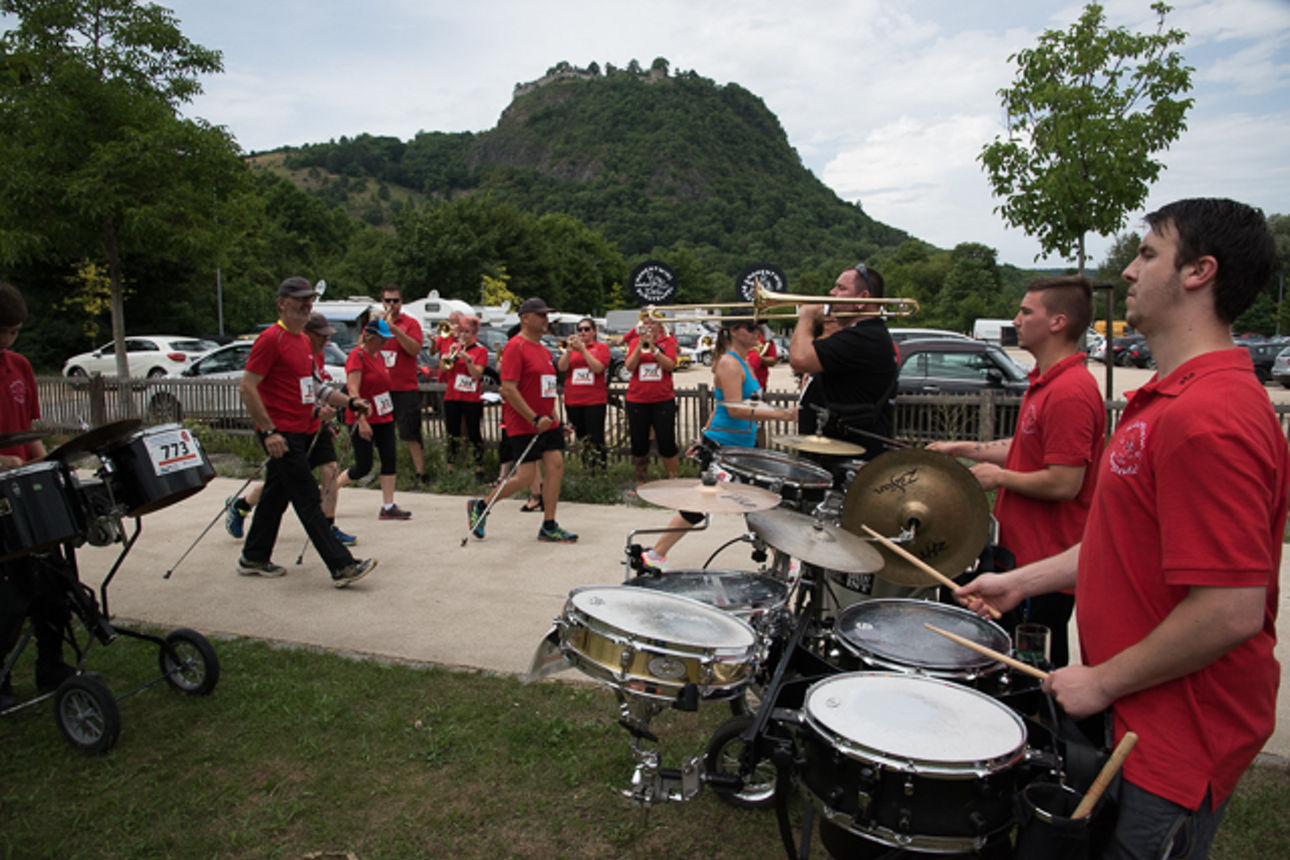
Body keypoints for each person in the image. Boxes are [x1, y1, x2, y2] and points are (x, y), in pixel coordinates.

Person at [958, 199, 1286, 860]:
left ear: (1200, 271)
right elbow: (1118, 547)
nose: (1129, 272)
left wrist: (1101, 681)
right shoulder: (1164, 399)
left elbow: (1230, 611)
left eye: (1147, 253)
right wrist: (1020, 581)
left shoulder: (1211, 416)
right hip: (1136, 708)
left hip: (1177, 735)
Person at [928, 276, 1105, 667]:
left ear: (1057, 322)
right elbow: (1025, 450)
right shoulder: (1045, 383)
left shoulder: (1071, 391)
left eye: (1026, 311)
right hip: (1019, 555)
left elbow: (1065, 481)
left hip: (1045, 566)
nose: (1017, 319)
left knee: (1032, 672)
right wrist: (961, 449)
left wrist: (999, 478)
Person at [238, 276, 377, 587]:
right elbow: (247, 387)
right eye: (300, 300)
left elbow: (315, 387)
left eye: (309, 300)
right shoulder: (270, 339)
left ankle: (254, 556)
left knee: (276, 494)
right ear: (282, 303)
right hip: (281, 434)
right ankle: (341, 565)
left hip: (301, 430)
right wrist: (270, 431)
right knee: (307, 497)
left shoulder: (302, 342)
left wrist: (351, 401)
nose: (306, 305)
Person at [644, 319, 796, 569]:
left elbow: (722, 405)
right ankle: (656, 555)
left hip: (739, 446)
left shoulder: (744, 361)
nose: (757, 333)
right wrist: (781, 414)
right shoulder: (729, 362)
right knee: (710, 505)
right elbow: (736, 410)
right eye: (750, 328)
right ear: (734, 331)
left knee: (755, 503)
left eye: (759, 329)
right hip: (725, 447)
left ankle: (783, 559)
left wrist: (703, 434)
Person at [0, 282, 74, 709]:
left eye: (13, 332)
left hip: (22, 493)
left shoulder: (20, 367)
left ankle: (52, 664)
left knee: (54, 582)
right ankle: (2, 679)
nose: (7, 340)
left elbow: (29, 435)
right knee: (7, 599)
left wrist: (47, 467)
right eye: (1, 332)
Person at [225, 312, 357, 547]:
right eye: (321, 337)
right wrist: (315, 412)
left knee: (330, 468)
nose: (325, 342)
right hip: (290, 429)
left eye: (328, 337)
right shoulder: (283, 347)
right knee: (284, 485)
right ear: (307, 333)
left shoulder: (314, 356)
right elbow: (287, 399)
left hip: (313, 425)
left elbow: (315, 391)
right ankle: (242, 505)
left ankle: (328, 526)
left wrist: (328, 419)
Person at [466, 297, 577, 543]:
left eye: (547, 315)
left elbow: (547, 390)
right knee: (526, 477)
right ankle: (481, 505)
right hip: (523, 422)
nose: (545, 319)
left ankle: (549, 524)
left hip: (547, 422)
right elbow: (508, 389)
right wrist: (534, 417)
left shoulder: (544, 349)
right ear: (525, 318)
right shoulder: (515, 347)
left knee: (555, 466)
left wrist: (556, 419)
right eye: (540, 315)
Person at [788, 263, 898, 456]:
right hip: (837, 452)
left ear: (862, 298)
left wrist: (806, 316)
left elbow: (800, 359)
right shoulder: (863, 334)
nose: (831, 293)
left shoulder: (865, 337)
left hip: (851, 457)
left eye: (841, 288)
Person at [331, 319, 411, 520]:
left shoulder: (379, 357)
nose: (385, 343)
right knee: (363, 466)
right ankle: (330, 489)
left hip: (384, 415)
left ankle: (388, 505)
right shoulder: (357, 356)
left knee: (389, 459)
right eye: (382, 340)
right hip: (363, 417)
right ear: (370, 337)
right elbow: (353, 389)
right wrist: (361, 420)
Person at [379, 284, 428, 487]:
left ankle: (421, 474)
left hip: (405, 387)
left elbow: (414, 349)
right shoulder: (377, 323)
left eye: (395, 301)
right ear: (382, 302)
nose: (392, 305)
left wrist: (396, 331)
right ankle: (386, 472)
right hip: (381, 388)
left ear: (401, 302)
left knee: (411, 433)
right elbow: (363, 348)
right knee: (382, 433)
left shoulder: (411, 324)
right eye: (388, 301)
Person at [624, 316, 681, 485]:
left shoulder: (668, 342)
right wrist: (640, 346)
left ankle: (673, 480)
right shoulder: (635, 341)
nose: (649, 326)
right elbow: (629, 366)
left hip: (662, 399)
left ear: (659, 325)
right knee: (639, 443)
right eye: (646, 323)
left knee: (666, 442)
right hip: (637, 399)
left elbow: (670, 365)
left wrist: (654, 349)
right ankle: (641, 481)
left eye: (652, 323)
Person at [557, 316, 611, 474]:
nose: (582, 332)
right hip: (573, 400)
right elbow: (562, 367)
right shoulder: (572, 349)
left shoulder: (601, 348)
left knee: (596, 438)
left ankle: (600, 471)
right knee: (582, 438)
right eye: (579, 329)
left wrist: (583, 350)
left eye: (586, 329)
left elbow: (598, 368)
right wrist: (568, 350)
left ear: (594, 331)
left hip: (594, 400)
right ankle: (587, 469)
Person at [439, 314, 489, 483]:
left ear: (474, 332)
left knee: (474, 433)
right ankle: (450, 467)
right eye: (461, 331)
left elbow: (477, 374)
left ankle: (479, 467)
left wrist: (467, 359)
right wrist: (451, 353)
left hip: (471, 397)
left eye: (466, 331)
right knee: (452, 433)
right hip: (452, 395)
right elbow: (443, 368)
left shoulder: (480, 351)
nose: (463, 335)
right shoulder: (454, 348)